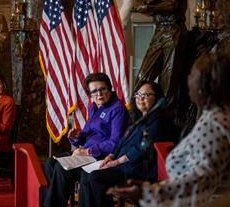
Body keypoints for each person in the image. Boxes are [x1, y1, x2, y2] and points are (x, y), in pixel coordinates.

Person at [108, 53, 230, 207]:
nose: (188, 80)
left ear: (207, 84)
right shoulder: (213, 116)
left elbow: (200, 182)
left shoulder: (215, 124)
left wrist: (150, 192)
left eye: (192, 75)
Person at [78, 81, 178, 207]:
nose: (141, 98)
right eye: (139, 94)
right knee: (87, 174)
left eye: (146, 95)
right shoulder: (138, 119)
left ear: (157, 98)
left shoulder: (158, 121)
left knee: (97, 178)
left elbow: (142, 147)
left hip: (139, 169)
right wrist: (111, 155)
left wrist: (117, 161)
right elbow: (121, 142)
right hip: (125, 165)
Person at [42, 73, 129, 207]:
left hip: (101, 156)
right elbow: (86, 135)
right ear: (90, 95)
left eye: (103, 89)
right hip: (86, 154)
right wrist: (76, 138)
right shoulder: (94, 107)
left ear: (110, 89)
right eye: (94, 91)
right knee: (50, 163)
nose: (99, 94)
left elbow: (115, 143)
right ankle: (57, 201)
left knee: (61, 168)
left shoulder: (118, 109)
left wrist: (87, 151)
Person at [132, 0, 188, 117]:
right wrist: (144, 6)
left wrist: (149, 7)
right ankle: (135, 117)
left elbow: (171, 5)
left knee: (168, 81)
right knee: (142, 75)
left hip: (173, 31)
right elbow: (158, 1)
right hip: (160, 31)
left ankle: (164, 120)